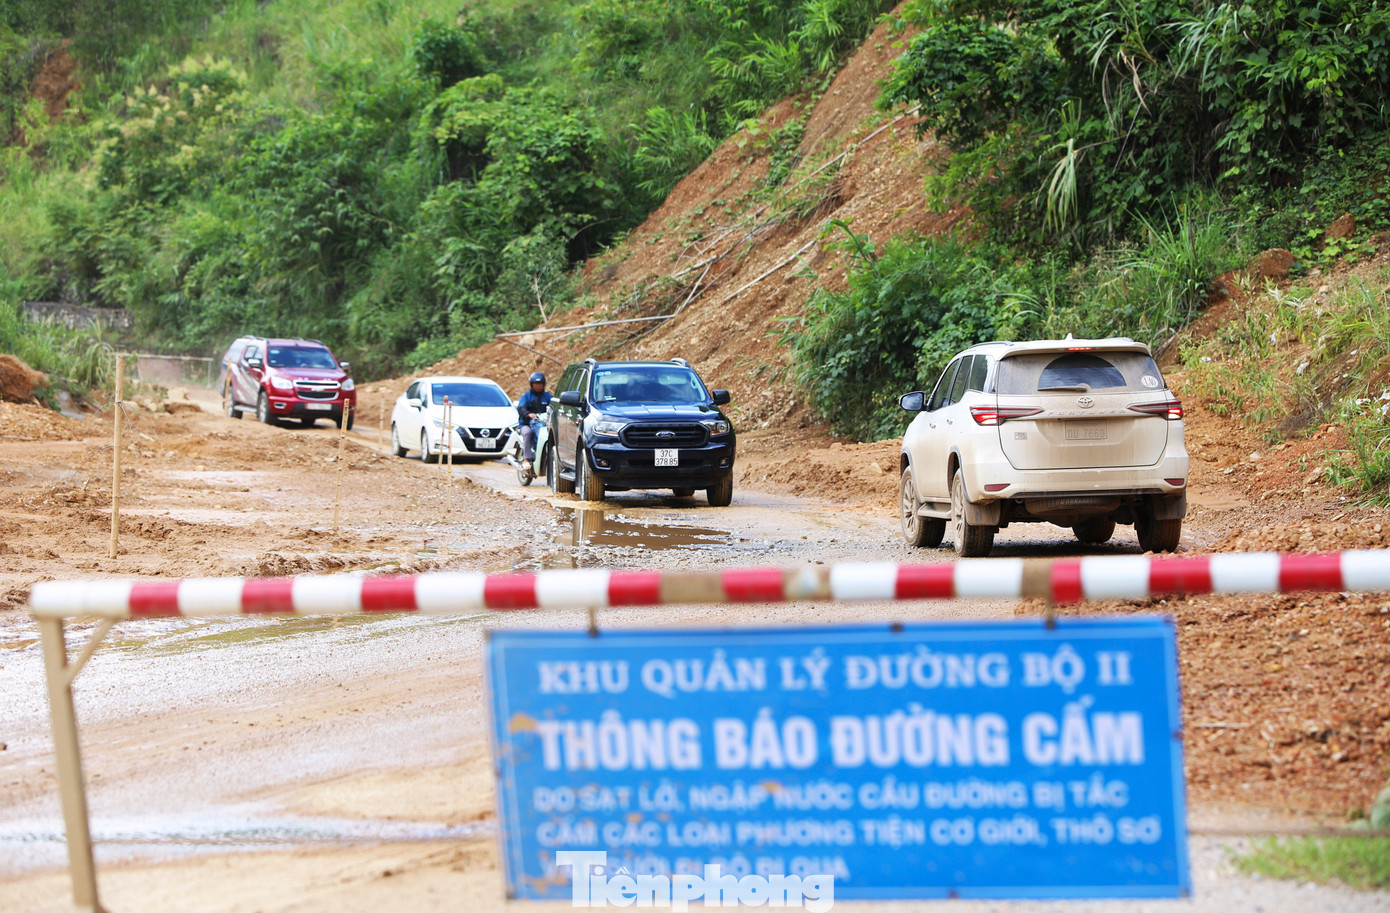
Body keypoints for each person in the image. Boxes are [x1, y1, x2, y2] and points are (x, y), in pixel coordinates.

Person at [516, 371, 552, 463]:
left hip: (544, 424)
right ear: (532, 384)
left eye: (540, 384)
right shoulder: (526, 396)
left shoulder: (548, 397)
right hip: (526, 424)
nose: (538, 386)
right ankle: (527, 459)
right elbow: (521, 409)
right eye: (536, 384)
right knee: (528, 433)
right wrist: (528, 415)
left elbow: (554, 407)